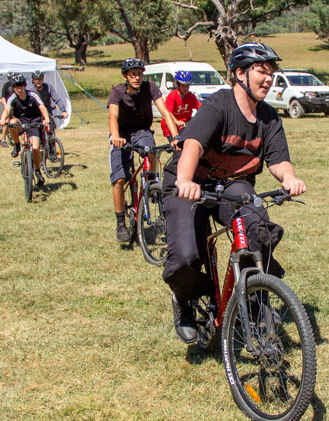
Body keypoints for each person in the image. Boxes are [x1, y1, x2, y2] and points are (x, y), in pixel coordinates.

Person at [162, 42, 306, 344]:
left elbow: (278, 160)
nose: (268, 79)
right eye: (261, 71)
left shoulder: (269, 117)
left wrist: (290, 178)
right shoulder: (219, 105)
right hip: (191, 183)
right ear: (240, 74)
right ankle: (184, 299)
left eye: (271, 73)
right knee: (186, 256)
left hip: (232, 184)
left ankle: (255, 299)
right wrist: (185, 180)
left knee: (259, 226)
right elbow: (193, 145)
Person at [108, 58, 180, 243]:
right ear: (125, 77)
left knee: (152, 150)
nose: (136, 78)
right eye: (132, 74)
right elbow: (113, 116)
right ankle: (121, 223)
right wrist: (115, 136)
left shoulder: (151, 88)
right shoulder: (117, 92)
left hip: (142, 131)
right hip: (121, 134)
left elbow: (165, 112)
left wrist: (175, 137)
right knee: (119, 178)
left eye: (139, 74)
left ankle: (152, 183)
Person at [0, 74, 51, 186]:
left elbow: (42, 107)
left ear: (25, 86)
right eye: (17, 87)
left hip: (34, 122)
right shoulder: (12, 97)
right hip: (21, 122)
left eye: (21, 86)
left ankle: (37, 171)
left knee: (36, 148)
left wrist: (46, 119)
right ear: (13, 88)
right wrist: (2, 119)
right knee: (11, 123)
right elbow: (7, 109)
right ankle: (17, 144)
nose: (20, 89)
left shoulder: (32, 95)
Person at [160, 70, 201, 138]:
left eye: (187, 86)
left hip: (185, 125)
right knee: (177, 143)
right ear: (178, 85)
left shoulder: (191, 96)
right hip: (171, 124)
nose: (186, 88)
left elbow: (200, 107)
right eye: (183, 86)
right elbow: (168, 112)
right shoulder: (172, 96)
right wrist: (176, 121)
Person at [0, 72, 15, 148]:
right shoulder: (6, 85)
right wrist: (5, 106)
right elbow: (3, 97)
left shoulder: (17, 85)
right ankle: (3, 140)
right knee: (6, 121)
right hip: (8, 105)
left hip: (16, 105)